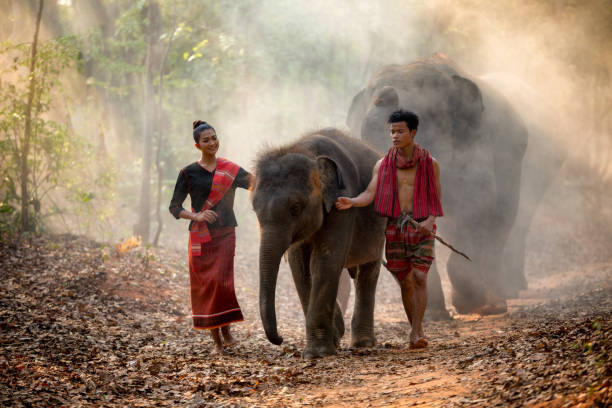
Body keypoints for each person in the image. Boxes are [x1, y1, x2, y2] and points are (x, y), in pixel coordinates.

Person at [335, 109, 443, 349]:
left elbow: (435, 196)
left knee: (420, 276)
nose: (395, 136)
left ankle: (417, 330)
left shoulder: (429, 163)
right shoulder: (383, 165)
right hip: (395, 225)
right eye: (392, 131)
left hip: (422, 224)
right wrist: (352, 201)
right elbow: (370, 194)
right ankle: (413, 326)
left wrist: (430, 219)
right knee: (405, 280)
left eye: (400, 131)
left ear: (413, 132)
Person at [169, 120, 252, 354]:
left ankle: (226, 330)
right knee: (207, 284)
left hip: (226, 233)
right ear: (198, 146)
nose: (212, 143)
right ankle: (216, 339)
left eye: (214, 138)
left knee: (222, 282)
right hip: (200, 237)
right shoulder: (188, 173)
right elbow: (174, 207)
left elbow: (257, 184)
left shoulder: (231, 170)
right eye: (206, 140)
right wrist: (197, 216)